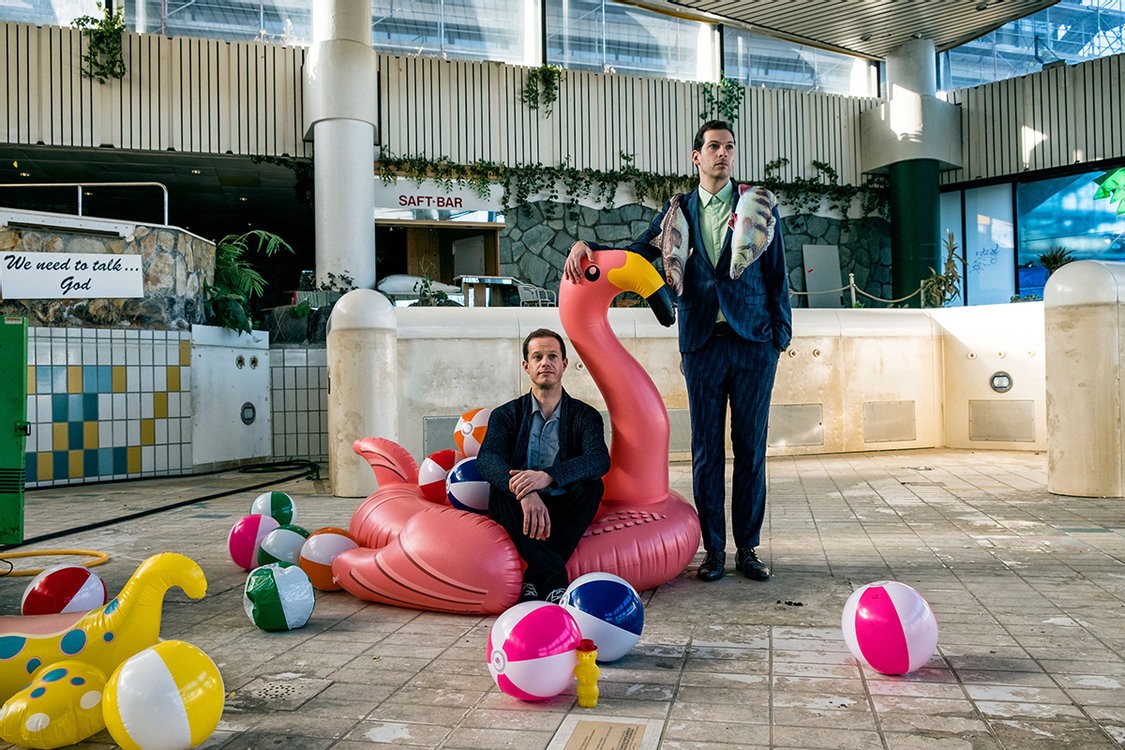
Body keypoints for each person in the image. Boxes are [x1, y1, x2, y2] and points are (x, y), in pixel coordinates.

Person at [564, 119, 792, 583]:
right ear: (696, 157)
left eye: (729, 147)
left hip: (754, 344)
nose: (723, 154)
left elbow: (777, 276)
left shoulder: (757, 206)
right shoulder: (676, 213)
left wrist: (779, 338)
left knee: (751, 449)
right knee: (706, 451)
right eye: (714, 147)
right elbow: (637, 254)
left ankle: (748, 548)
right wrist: (590, 248)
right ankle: (714, 551)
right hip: (702, 344)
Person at [476, 328, 611, 604]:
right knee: (499, 489)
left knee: (592, 486)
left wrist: (548, 476)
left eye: (552, 356)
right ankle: (554, 582)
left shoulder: (585, 415)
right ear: (526, 366)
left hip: (564, 506)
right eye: (537, 357)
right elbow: (487, 459)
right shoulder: (505, 414)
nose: (545, 363)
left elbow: (598, 459)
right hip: (519, 507)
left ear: (564, 363)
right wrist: (525, 492)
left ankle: (534, 579)